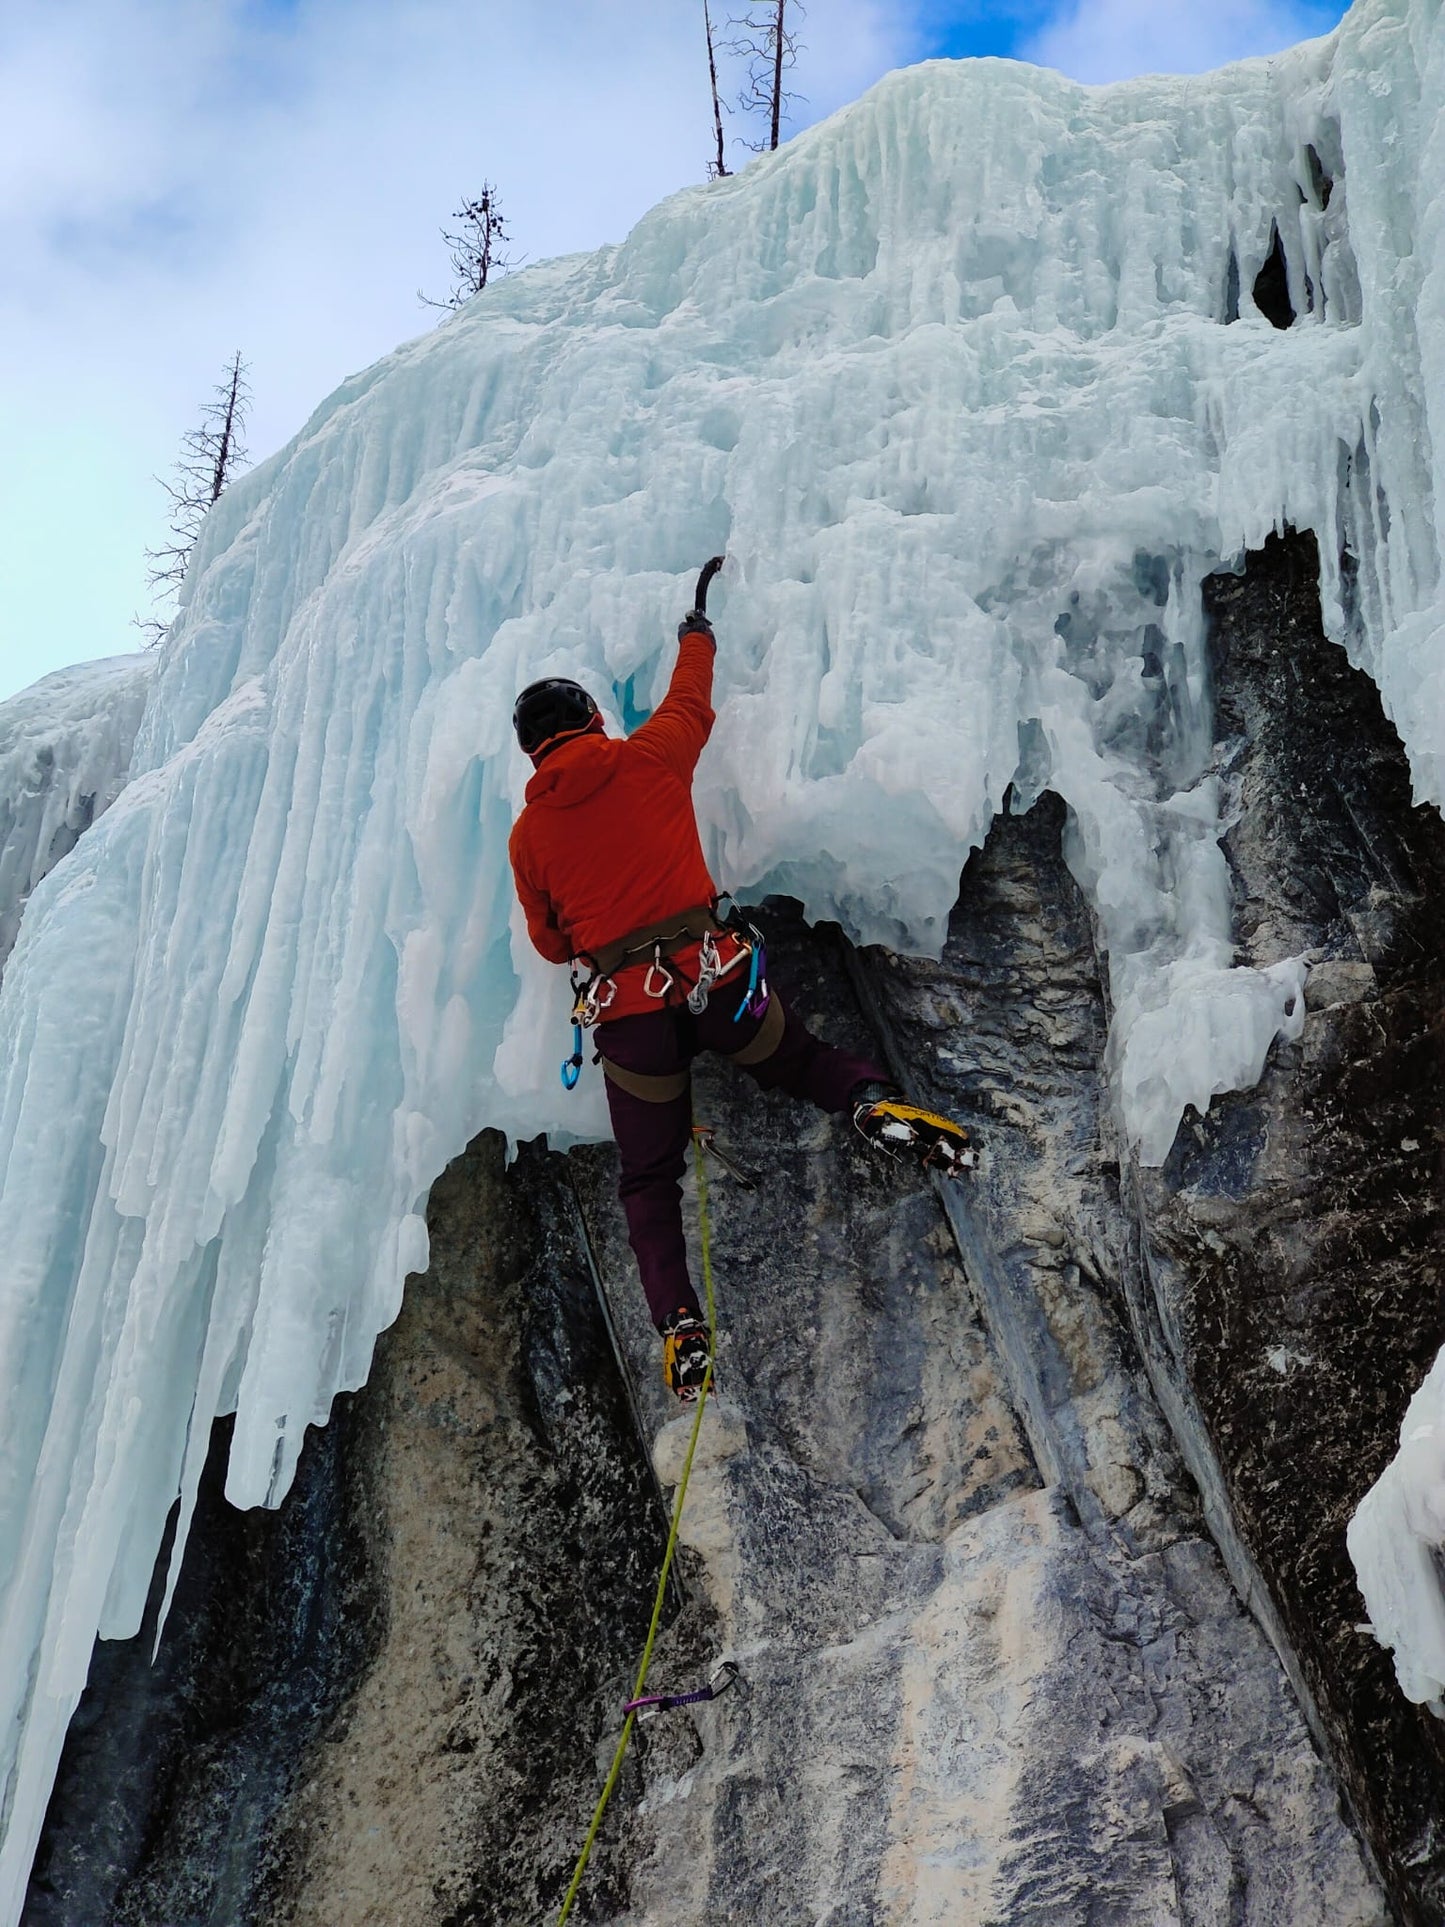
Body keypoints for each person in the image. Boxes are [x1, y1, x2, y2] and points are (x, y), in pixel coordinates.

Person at [508, 588, 973, 1403]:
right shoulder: (648, 757)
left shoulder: (529, 835)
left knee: (648, 1180)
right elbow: (691, 700)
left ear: (532, 751)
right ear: (589, 718)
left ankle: (682, 1324)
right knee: (804, 1061)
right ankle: (870, 1104)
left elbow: (551, 942)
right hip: (718, 981)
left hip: (631, 1022)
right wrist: (695, 630)